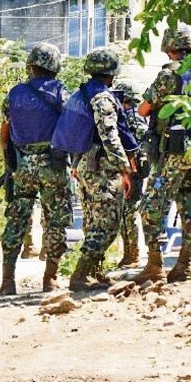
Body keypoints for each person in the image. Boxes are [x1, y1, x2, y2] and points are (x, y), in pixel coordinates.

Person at [135, 27, 191, 283]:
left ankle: (155, 265)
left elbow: (144, 109)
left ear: (168, 47)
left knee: (151, 207)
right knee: (189, 201)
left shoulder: (168, 74)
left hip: (172, 153)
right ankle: (184, 264)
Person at [0, 43, 70, 295]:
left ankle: (7, 281)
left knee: (16, 218)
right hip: (53, 163)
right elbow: (71, 127)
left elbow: (4, 133)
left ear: (31, 66)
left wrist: (10, 165)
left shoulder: (15, 93)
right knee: (56, 221)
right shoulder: (61, 92)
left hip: (23, 164)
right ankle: (50, 278)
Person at [62, 47, 135, 292]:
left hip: (84, 165)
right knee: (108, 222)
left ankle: (94, 272)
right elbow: (109, 136)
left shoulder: (81, 93)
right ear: (112, 73)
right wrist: (125, 167)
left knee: (94, 220)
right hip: (101, 168)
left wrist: (74, 165)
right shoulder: (103, 98)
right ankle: (81, 274)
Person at [113, 80, 149, 268]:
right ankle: (129, 253)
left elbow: (140, 142)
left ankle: (132, 254)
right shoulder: (132, 114)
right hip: (132, 168)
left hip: (133, 170)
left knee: (129, 212)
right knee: (127, 211)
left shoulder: (131, 115)